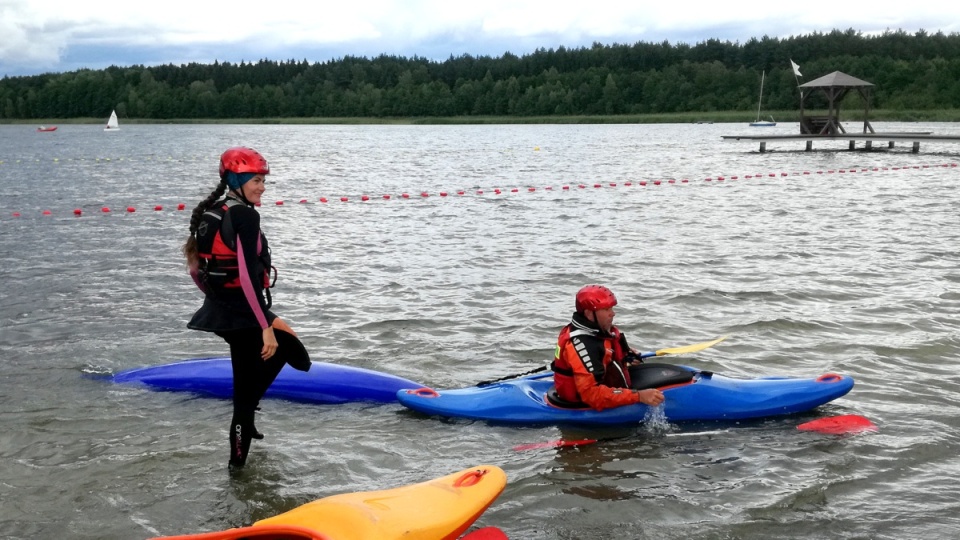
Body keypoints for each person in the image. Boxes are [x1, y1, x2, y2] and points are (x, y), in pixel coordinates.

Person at [182, 146, 310, 470]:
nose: (262, 187)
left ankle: (248, 413)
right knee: (282, 353)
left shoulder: (215, 211)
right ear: (237, 179)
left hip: (223, 307)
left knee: (291, 347)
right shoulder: (244, 215)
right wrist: (264, 327)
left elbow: (196, 269)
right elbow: (249, 276)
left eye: (264, 180)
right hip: (241, 312)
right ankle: (237, 470)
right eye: (256, 180)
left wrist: (217, 298)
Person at [550, 285, 665, 411]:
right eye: (606, 309)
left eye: (611, 308)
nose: (613, 313)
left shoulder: (596, 330)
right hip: (582, 402)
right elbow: (592, 395)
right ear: (589, 314)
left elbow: (605, 350)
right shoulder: (581, 345)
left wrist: (625, 357)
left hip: (603, 382)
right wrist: (639, 396)